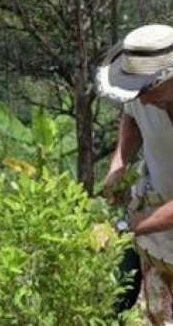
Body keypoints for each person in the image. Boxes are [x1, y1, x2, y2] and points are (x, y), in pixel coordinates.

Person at [98, 23, 173, 325]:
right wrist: (119, 162)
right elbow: (131, 117)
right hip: (156, 233)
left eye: (149, 89)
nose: (142, 98)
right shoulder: (144, 96)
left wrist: (127, 226)